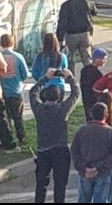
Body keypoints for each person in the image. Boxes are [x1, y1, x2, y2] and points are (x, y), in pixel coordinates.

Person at [31, 68, 80, 204]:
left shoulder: (39, 109)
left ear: (45, 96)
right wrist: (70, 77)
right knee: (60, 184)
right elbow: (76, 94)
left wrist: (45, 78)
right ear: (59, 97)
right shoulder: (62, 109)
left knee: (41, 184)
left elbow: (33, 92)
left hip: (43, 150)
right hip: (60, 149)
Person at [71, 102, 112, 204]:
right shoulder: (111, 133)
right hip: (103, 172)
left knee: (83, 199)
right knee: (101, 200)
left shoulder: (81, 131)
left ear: (92, 114)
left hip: (85, 172)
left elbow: (74, 151)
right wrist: (98, 168)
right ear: (106, 115)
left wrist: (83, 167)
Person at [57, 0, 96, 74]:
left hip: (71, 35)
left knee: (69, 59)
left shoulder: (66, 5)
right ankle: (89, 77)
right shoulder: (86, 2)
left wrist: (60, 38)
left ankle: (70, 79)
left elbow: (62, 22)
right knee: (87, 58)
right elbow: (94, 12)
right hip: (85, 33)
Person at [1, 34, 29, 149]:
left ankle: (8, 137)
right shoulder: (18, 56)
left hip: (3, 92)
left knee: (5, 117)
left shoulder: (0, 56)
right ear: (12, 43)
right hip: (16, 90)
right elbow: (25, 75)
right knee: (18, 117)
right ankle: (21, 137)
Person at [80, 47, 108, 121]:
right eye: (104, 59)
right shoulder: (97, 74)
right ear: (97, 59)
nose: (105, 61)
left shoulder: (84, 70)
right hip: (94, 100)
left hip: (85, 99)